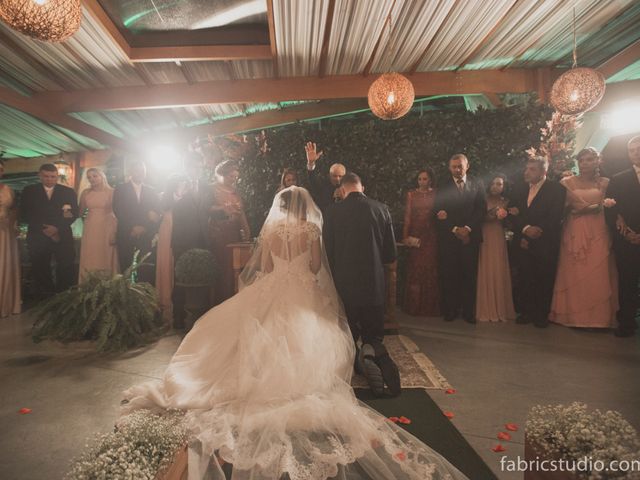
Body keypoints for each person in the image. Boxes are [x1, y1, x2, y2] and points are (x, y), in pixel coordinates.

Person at [121, 186, 467, 480]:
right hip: (302, 290)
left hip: (274, 287)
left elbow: (267, 267)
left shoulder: (271, 231)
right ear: (306, 208)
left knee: (257, 332)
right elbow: (316, 267)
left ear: (280, 207)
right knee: (313, 335)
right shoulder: (311, 231)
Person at [323, 173, 400, 397]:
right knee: (373, 334)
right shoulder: (381, 209)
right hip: (373, 282)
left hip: (344, 283)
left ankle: (354, 360)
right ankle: (372, 352)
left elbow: (328, 254)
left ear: (342, 189)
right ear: (362, 187)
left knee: (347, 332)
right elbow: (390, 254)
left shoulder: (332, 212)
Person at [550, 148, 618, 329]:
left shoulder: (606, 183)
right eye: (582, 160)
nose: (585, 163)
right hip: (574, 230)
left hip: (599, 230)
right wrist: (579, 209)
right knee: (575, 271)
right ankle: (572, 315)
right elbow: (559, 208)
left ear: (598, 161)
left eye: (589, 160)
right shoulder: (567, 182)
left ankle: (599, 318)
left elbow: (613, 208)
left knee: (598, 270)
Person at [510, 157, 566, 328]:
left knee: (544, 277)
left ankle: (541, 314)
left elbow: (555, 215)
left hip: (545, 240)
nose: (527, 172)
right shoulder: (518, 188)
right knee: (525, 277)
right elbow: (513, 212)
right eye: (526, 168)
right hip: (523, 240)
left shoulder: (557, 189)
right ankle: (526, 311)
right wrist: (526, 230)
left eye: (532, 169)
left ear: (543, 171)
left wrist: (538, 230)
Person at [434, 154, 486, 323]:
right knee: (450, 275)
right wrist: (456, 229)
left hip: (471, 238)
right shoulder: (442, 186)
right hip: (449, 238)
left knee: (469, 275)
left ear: (467, 166)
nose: (457, 169)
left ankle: (468, 312)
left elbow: (481, 209)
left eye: (460, 166)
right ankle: (451, 310)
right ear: (449, 168)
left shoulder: (477, 184)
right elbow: (438, 212)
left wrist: (468, 229)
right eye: (454, 166)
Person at [20, 163, 78, 297]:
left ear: (57, 176)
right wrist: (45, 229)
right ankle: (46, 296)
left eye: (53, 176)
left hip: (62, 235)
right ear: (39, 176)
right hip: (38, 236)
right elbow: (25, 213)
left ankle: (63, 296)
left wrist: (56, 228)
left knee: (65, 265)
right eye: (46, 176)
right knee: (40, 266)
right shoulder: (29, 191)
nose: (49, 179)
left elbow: (73, 213)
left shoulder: (68, 192)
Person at [605, 135, 640, 337]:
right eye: (632, 150)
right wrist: (627, 234)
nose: (636, 153)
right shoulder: (618, 179)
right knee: (627, 281)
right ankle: (626, 322)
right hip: (627, 239)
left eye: (639, 148)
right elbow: (610, 209)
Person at [208, 160, 251, 304]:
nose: (234, 179)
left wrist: (246, 230)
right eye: (231, 176)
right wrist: (223, 209)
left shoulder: (235, 192)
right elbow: (205, 210)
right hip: (219, 232)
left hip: (234, 233)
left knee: (235, 266)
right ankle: (220, 301)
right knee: (223, 266)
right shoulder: (211, 189)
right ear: (222, 174)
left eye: (235, 177)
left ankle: (234, 300)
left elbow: (241, 212)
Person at [475, 174, 516, 322]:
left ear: (504, 186)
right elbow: (478, 218)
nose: (495, 187)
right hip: (484, 234)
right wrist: (491, 215)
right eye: (493, 184)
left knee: (498, 267)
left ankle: (500, 307)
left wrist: (508, 216)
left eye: (499, 184)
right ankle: (485, 307)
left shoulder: (507, 201)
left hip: (498, 236)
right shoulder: (482, 199)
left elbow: (511, 224)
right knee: (485, 267)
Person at [112, 161, 160, 283]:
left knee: (145, 265)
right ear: (131, 172)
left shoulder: (152, 190)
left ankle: (144, 294)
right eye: (137, 170)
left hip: (146, 232)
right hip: (127, 232)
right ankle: (126, 295)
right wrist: (132, 227)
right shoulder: (120, 188)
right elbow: (118, 209)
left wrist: (144, 227)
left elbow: (155, 212)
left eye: (143, 171)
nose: (140, 173)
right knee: (125, 265)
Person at [402, 168, 440, 317]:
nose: (422, 181)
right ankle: (414, 307)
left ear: (430, 179)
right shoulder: (411, 194)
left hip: (431, 236)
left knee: (431, 269)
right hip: (416, 235)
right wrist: (406, 236)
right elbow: (407, 217)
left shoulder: (436, 193)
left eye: (425, 179)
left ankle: (430, 308)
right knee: (416, 269)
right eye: (420, 179)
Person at [156, 175, 189, 325]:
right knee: (166, 262)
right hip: (167, 230)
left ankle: (181, 303)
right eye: (182, 183)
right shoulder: (163, 197)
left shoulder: (188, 197)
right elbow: (157, 215)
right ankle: (165, 299)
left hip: (182, 232)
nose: (184, 185)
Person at [78, 168, 118, 282]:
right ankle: (88, 285)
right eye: (89, 177)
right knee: (90, 255)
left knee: (105, 255)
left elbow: (117, 212)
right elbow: (80, 213)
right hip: (90, 227)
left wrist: (115, 231)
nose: (92, 179)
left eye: (95, 176)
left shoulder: (112, 192)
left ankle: (108, 286)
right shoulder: (86, 193)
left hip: (107, 226)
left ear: (102, 176)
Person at [0, 159, 21, 317]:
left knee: (4, 264)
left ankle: (6, 303)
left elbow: (14, 210)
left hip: (5, 232)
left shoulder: (9, 190)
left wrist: (15, 224)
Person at [304, 141, 346, 212]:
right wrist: (311, 163)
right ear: (329, 176)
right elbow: (313, 179)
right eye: (334, 176)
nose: (337, 179)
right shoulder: (323, 186)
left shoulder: (350, 189)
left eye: (340, 176)